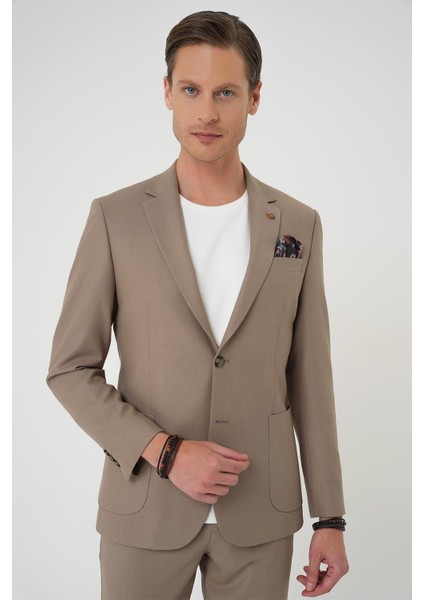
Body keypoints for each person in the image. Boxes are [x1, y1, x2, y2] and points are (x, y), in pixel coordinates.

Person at [46, 10, 348, 600]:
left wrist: (330, 518)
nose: (206, 112)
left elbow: (311, 379)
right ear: (167, 92)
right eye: (191, 90)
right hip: (145, 509)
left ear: (254, 98)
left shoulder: (297, 224)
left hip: (261, 519)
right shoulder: (116, 219)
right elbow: (69, 370)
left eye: (225, 93)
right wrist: (166, 454)